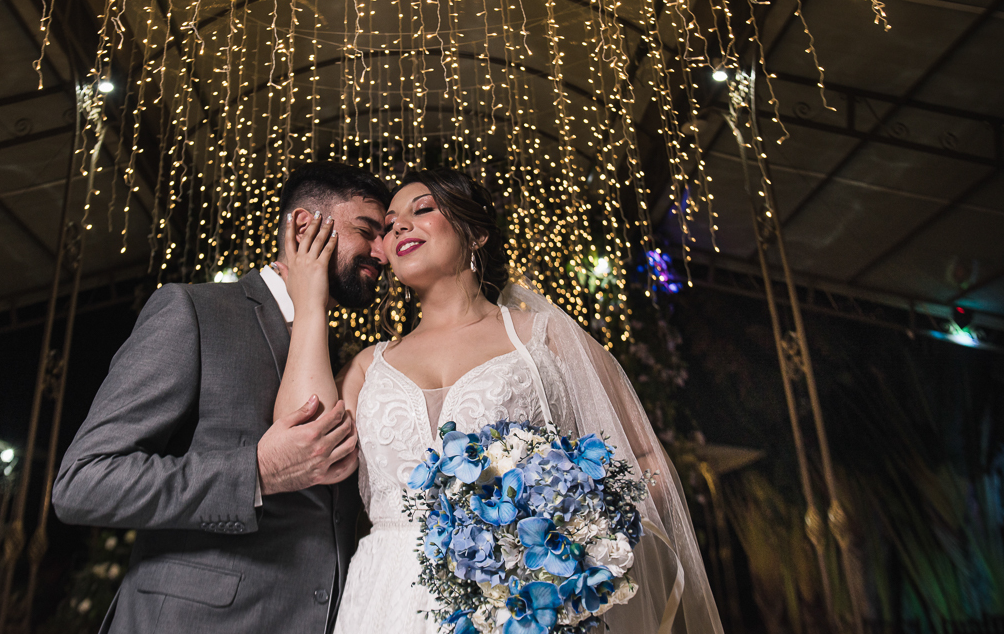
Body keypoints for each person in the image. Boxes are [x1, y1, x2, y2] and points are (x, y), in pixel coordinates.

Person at [274, 167, 724, 634]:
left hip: (517, 601)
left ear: (476, 234)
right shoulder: (369, 366)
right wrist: (311, 302)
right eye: (388, 225)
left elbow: (646, 457)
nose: (400, 225)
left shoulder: (544, 342)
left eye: (422, 209)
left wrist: (587, 537)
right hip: (384, 598)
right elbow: (299, 436)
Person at [52, 161, 391, 633]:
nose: (383, 252)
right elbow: (84, 483)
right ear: (303, 225)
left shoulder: (343, 354)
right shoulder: (194, 311)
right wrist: (258, 472)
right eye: (367, 231)